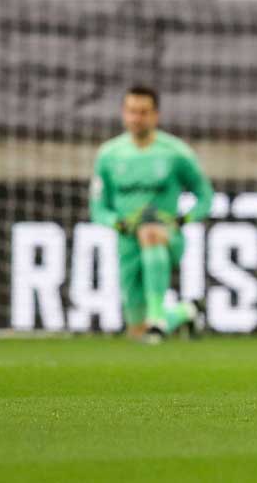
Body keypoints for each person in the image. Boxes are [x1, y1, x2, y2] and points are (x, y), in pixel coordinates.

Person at [90, 85, 214, 341]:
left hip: (166, 236)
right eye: (132, 111)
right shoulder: (109, 155)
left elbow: (205, 196)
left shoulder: (175, 153)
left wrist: (183, 220)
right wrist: (117, 223)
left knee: (151, 231)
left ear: (155, 115)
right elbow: (98, 208)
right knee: (137, 333)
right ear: (123, 114)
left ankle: (157, 316)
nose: (137, 118)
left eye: (143, 112)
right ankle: (184, 312)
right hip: (127, 242)